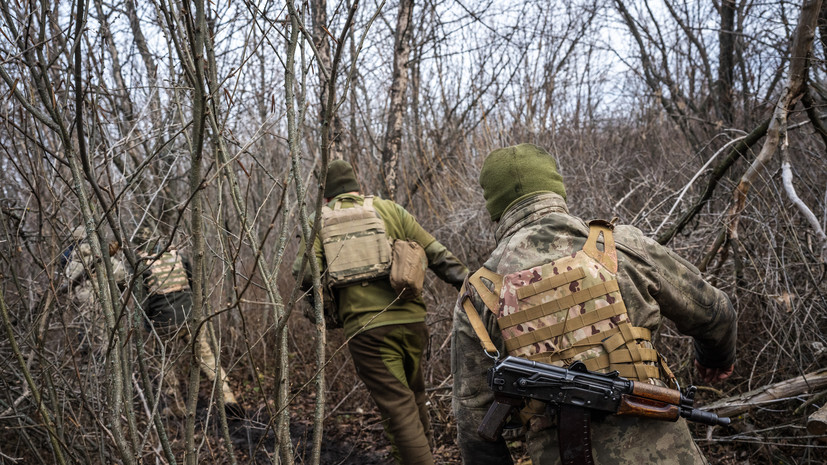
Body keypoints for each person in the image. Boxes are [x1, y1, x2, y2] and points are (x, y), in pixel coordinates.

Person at [451, 143, 737, 465]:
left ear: (494, 208)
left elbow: (473, 421)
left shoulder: (479, 293)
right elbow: (715, 312)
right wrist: (714, 358)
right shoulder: (621, 246)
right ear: (556, 189)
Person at [292, 159, 469, 465]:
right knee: (413, 399)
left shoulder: (318, 221)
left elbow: (304, 273)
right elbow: (438, 256)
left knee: (398, 408)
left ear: (325, 195)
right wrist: (475, 291)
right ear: (356, 187)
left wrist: (323, 306)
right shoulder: (388, 209)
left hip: (368, 330)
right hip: (413, 323)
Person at [133, 227, 242, 418]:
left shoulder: (142, 263)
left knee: (165, 365)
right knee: (207, 358)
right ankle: (227, 396)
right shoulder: (177, 255)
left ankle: (177, 407)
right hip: (191, 317)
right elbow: (195, 283)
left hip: (164, 323)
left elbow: (142, 301)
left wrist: (147, 325)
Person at [63, 225, 126, 352]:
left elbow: (68, 287)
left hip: (82, 306)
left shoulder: (73, 262)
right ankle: (107, 366)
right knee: (106, 339)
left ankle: (88, 365)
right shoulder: (104, 258)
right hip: (104, 303)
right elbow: (122, 277)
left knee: (86, 336)